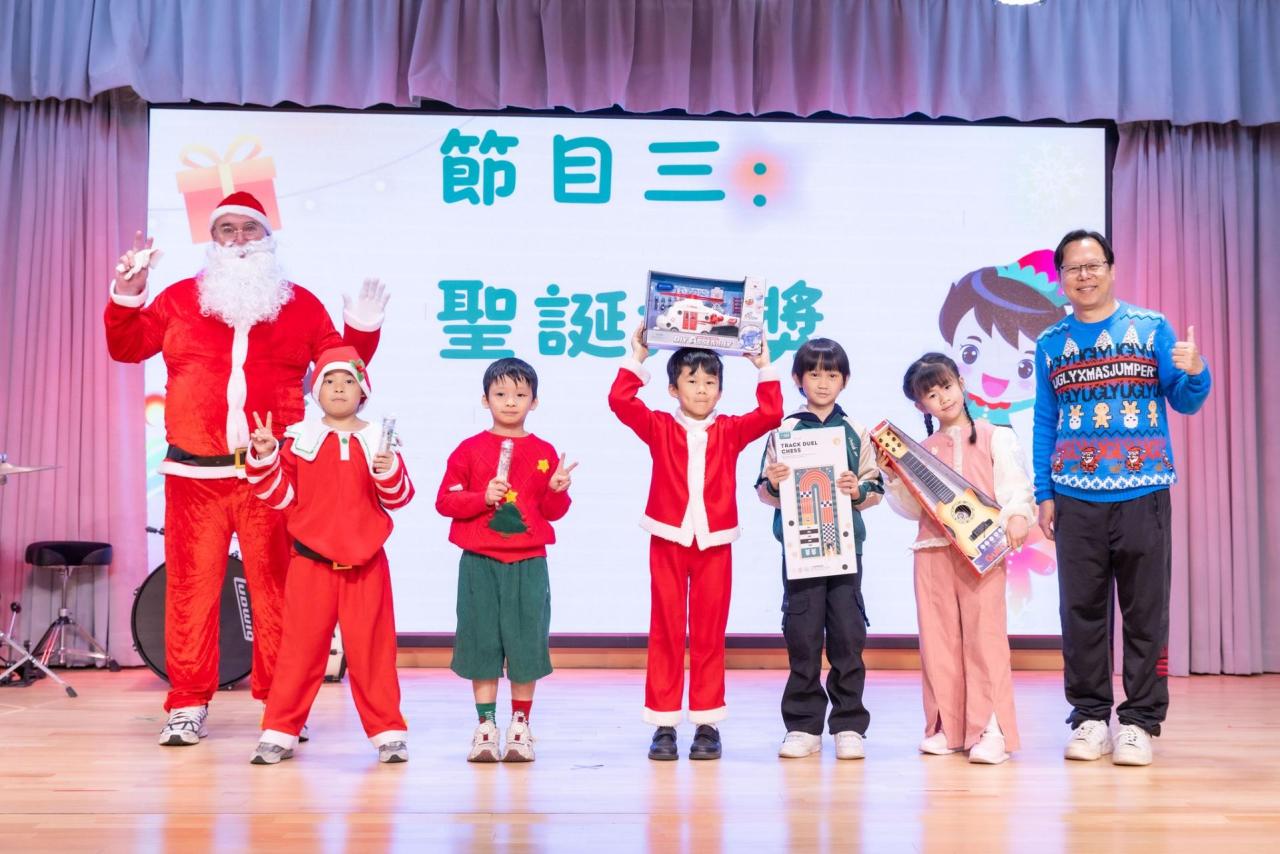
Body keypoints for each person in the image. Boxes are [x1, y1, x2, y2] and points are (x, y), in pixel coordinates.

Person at [104, 191, 388, 745]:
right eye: (226, 230)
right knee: (190, 593)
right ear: (212, 241)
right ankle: (187, 703)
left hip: (272, 476)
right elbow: (126, 346)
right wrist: (129, 295)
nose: (238, 240)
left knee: (280, 593)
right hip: (194, 477)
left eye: (249, 229)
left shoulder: (299, 306)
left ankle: (282, 709)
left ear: (267, 237)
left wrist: (362, 328)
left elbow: (342, 371)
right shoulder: (180, 300)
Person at [1034, 229, 1211, 766]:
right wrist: (1044, 492)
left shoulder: (1151, 327)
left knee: (1145, 613)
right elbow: (1046, 421)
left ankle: (1139, 722)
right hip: (1074, 496)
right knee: (1080, 613)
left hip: (1144, 492)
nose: (1084, 275)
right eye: (1073, 268)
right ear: (1061, 278)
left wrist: (1195, 371)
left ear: (1111, 269)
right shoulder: (1050, 343)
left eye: (1093, 265)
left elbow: (1184, 401)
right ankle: (1090, 718)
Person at [609, 326, 781, 761]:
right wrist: (638, 356)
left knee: (709, 633)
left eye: (710, 381)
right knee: (666, 631)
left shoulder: (731, 430)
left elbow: (771, 413)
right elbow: (620, 401)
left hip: (715, 543)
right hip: (668, 539)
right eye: (692, 380)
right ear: (673, 388)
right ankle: (664, 723)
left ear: (720, 389)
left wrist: (763, 366)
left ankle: (707, 722)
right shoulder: (659, 426)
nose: (702, 389)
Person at [244, 346, 414, 765]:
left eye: (348, 381)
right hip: (310, 563)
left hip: (366, 565)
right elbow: (278, 496)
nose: (339, 388)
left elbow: (400, 498)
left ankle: (388, 733)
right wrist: (265, 455)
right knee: (299, 651)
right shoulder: (300, 439)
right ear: (317, 391)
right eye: (330, 381)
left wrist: (388, 470)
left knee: (373, 652)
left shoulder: (379, 439)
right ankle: (280, 730)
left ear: (363, 390)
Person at [883, 353, 1032, 765]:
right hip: (932, 551)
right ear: (920, 405)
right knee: (938, 642)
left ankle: (992, 730)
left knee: (986, 639)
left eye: (946, 386)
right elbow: (911, 509)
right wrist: (893, 475)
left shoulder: (994, 435)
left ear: (961, 384)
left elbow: (1015, 486)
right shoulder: (919, 451)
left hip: (982, 552)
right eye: (931, 394)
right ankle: (946, 727)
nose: (943, 397)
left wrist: (1018, 515)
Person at [435, 358, 574, 763]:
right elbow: (445, 502)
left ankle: (520, 725)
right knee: (481, 641)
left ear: (534, 402)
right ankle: (485, 726)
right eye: (500, 394)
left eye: (520, 394)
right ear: (485, 399)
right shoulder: (468, 450)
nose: (510, 402)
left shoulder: (544, 452)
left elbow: (552, 512)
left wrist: (558, 489)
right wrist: (482, 497)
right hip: (479, 562)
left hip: (529, 562)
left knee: (527, 643)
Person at [756, 338, 883, 761]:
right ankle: (803, 725)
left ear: (845, 380)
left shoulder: (856, 431)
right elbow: (763, 491)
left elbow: (875, 487)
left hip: (845, 549)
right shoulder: (785, 431)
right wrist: (776, 482)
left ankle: (849, 724)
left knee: (848, 635)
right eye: (814, 374)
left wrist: (856, 488)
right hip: (801, 549)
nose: (823, 382)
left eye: (832, 374)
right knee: (803, 635)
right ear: (798, 379)